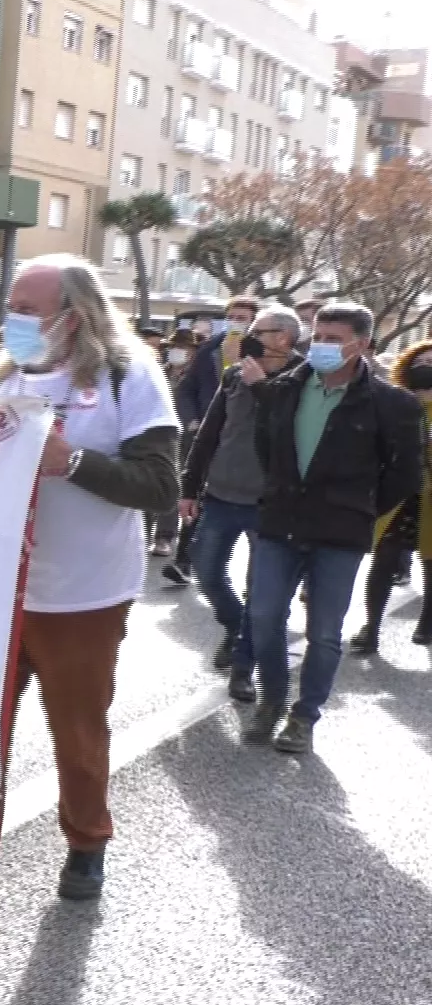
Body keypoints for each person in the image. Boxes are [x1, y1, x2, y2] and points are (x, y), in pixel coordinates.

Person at [0, 254, 180, 938]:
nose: (14, 321)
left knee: (76, 733)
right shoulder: (2, 375)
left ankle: (87, 841)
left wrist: (74, 462)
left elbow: (160, 486)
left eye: (28, 309)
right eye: (13, 308)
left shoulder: (128, 376)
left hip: (84, 595)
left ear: (73, 317)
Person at [245, 302, 424, 753]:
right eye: (317, 337)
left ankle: (303, 717)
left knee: (325, 632)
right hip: (280, 522)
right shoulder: (284, 387)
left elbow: (404, 474)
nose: (320, 346)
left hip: (341, 533)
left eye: (332, 339)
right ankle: (271, 699)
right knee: (264, 618)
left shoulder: (393, 404)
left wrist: (360, 509)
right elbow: (267, 448)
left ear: (361, 345)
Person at [179, 305, 304, 702]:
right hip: (221, 495)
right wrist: (190, 486)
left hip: (270, 504)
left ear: (283, 337)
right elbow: (211, 432)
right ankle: (236, 628)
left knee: (261, 591)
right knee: (206, 571)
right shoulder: (235, 374)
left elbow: (289, 431)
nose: (247, 335)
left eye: (258, 330)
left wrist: (260, 386)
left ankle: (243, 666)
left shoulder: (305, 378)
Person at [349, 340, 432, 655]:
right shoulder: (393, 401)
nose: (427, 365)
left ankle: (427, 622)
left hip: (430, 496)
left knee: (430, 562)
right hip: (398, 493)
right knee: (384, 560)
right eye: (421, 360)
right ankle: (371, 627)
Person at [150, 327, 200, 565]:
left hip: (186, 435)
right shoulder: (160, 372)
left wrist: (195, 421)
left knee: (174, 484)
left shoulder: (195, 377)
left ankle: (165, 536)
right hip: (157, 434)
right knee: (152, 481)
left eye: (183, 347)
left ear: (192, 351)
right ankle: (144, 532)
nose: (177, 351)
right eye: (174, 346)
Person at [178, 297, 263, 431]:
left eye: (241, 318)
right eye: (230, 317)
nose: (234, 322)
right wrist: (191, 420)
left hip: (243, 428)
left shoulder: (263, 351)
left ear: (253, 322)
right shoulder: (208, 349)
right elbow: (187, 387)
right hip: (206, 425)